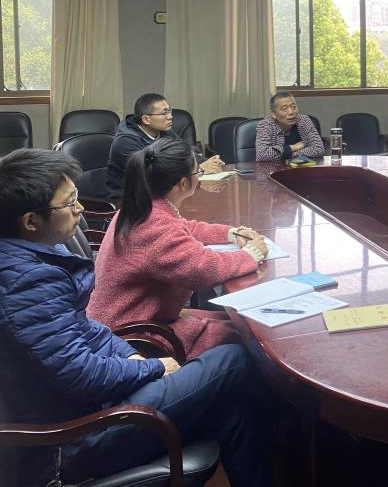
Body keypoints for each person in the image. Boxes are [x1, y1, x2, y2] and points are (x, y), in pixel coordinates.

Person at [0, 149, 271, 487]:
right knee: (234, 360)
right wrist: (152, 368)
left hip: (91, 407)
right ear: (31, 221)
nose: (80, 208)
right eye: (69, 203)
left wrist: (129, 356)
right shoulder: (26, 282)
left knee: (233, 409)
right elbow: (78, 374)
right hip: (72, 440)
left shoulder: (35, 255)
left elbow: (86, 328)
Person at [89, 139, 269, 359]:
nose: (199, 175)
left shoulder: (143, 205)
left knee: (239, 322)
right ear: (183, 183)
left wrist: (230, 233)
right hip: (135, 339)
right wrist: (252, 254)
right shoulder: (155, 227)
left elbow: (185, 228)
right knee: (249, 336)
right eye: (198, 171)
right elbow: (205, 270)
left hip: (127, 321)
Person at [106, 92, 224, 200]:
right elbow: (152, 174)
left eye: (169, 111)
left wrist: (208, 162)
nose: (170, 116)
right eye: (164, 113)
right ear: (146, 119)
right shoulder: (126, 142)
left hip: (161, 195)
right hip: (130, 202)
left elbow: (185, 153)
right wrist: (199, 168)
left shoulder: (164, 132)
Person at [255, 91, 325, 162]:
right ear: (274, 114)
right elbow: (262, 155)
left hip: (302, 166)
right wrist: (293, 147)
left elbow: (319, 149)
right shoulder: (265, 125)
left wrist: (289, 155)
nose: (291, 112)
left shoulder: (304, 120)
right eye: (284, 109)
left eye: (293, 107)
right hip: (274, 168)